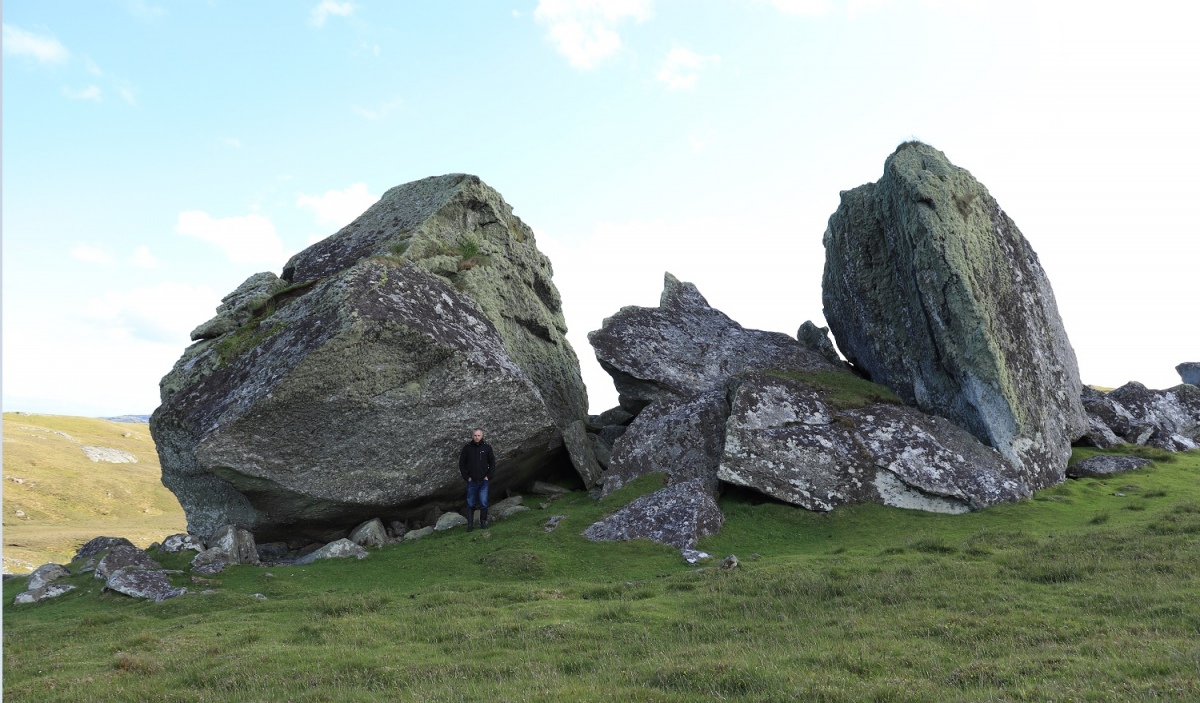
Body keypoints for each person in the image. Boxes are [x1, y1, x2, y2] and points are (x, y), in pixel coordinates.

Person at [458, 428, 495, 531]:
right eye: (475, 435)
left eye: (479, 435)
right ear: (472, 436)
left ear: (482, 436)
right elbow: (461, 464)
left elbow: (492, 462)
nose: (477, 437)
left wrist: (489, 476)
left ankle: (483, 522)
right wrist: (466, 477)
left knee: (483, 502)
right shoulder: (467, 448)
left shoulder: (487, 448)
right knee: (470, 503)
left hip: (483, 480)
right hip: (472, 481)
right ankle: (470, 525)